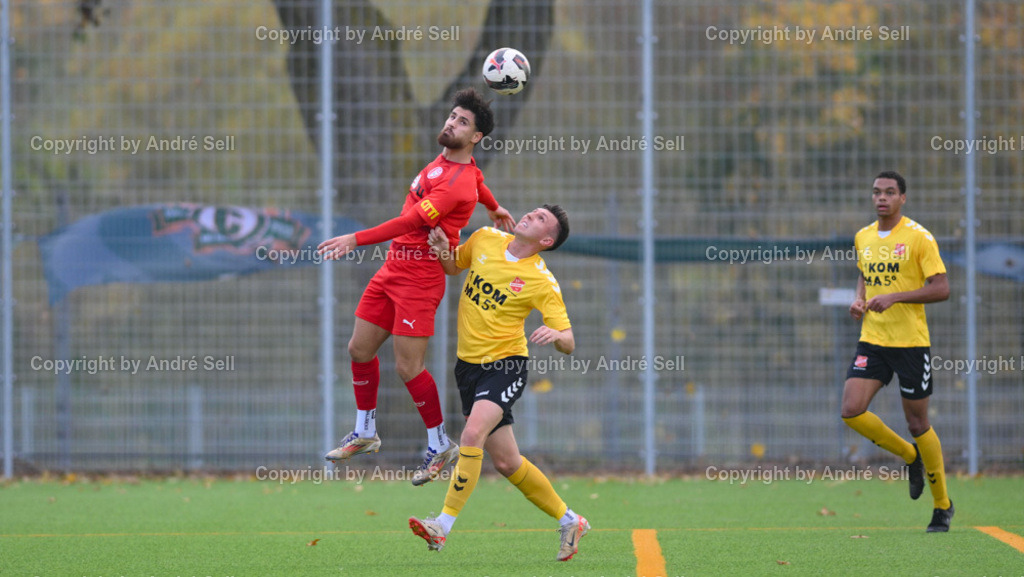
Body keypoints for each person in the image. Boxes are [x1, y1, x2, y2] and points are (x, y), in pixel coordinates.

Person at [317, 88, 516, 486]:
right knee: (358, 349)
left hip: (420, 278)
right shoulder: (455, 168)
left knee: (408, 367)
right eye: (452, 116)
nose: (451, 123)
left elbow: (409, 223)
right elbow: (479, 182)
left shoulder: (455, 185)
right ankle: (366, 431)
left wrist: (354, 239)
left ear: (476, 137)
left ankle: (439, 443)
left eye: (462, 122)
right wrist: (494, 207)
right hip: (392, 269)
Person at [408, 205, 590, 562]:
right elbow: (452, 266)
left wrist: (556, 333)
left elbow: (569, 342)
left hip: (506, 366)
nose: (530, 216)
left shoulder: (540, 279)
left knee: (471, 436)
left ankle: (442, 527)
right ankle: (571, 520)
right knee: (507, 463)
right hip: (468, 368)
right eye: (533, 212)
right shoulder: (485, 238)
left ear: (546, 240)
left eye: (540, 220)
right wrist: (443, 247)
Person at [841, 170, 953, 532]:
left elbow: (941, 288)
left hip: (910, 344)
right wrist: (859, 300)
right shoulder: (863, 236)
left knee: (918, 422)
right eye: (876, 192)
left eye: (889, 192)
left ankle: (942, 506)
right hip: (873, 339)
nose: (881, 198)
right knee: (851, 410)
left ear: (903, 198)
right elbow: (864, 274)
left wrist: (896, 297)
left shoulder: (919, 238)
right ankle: (909, 456)